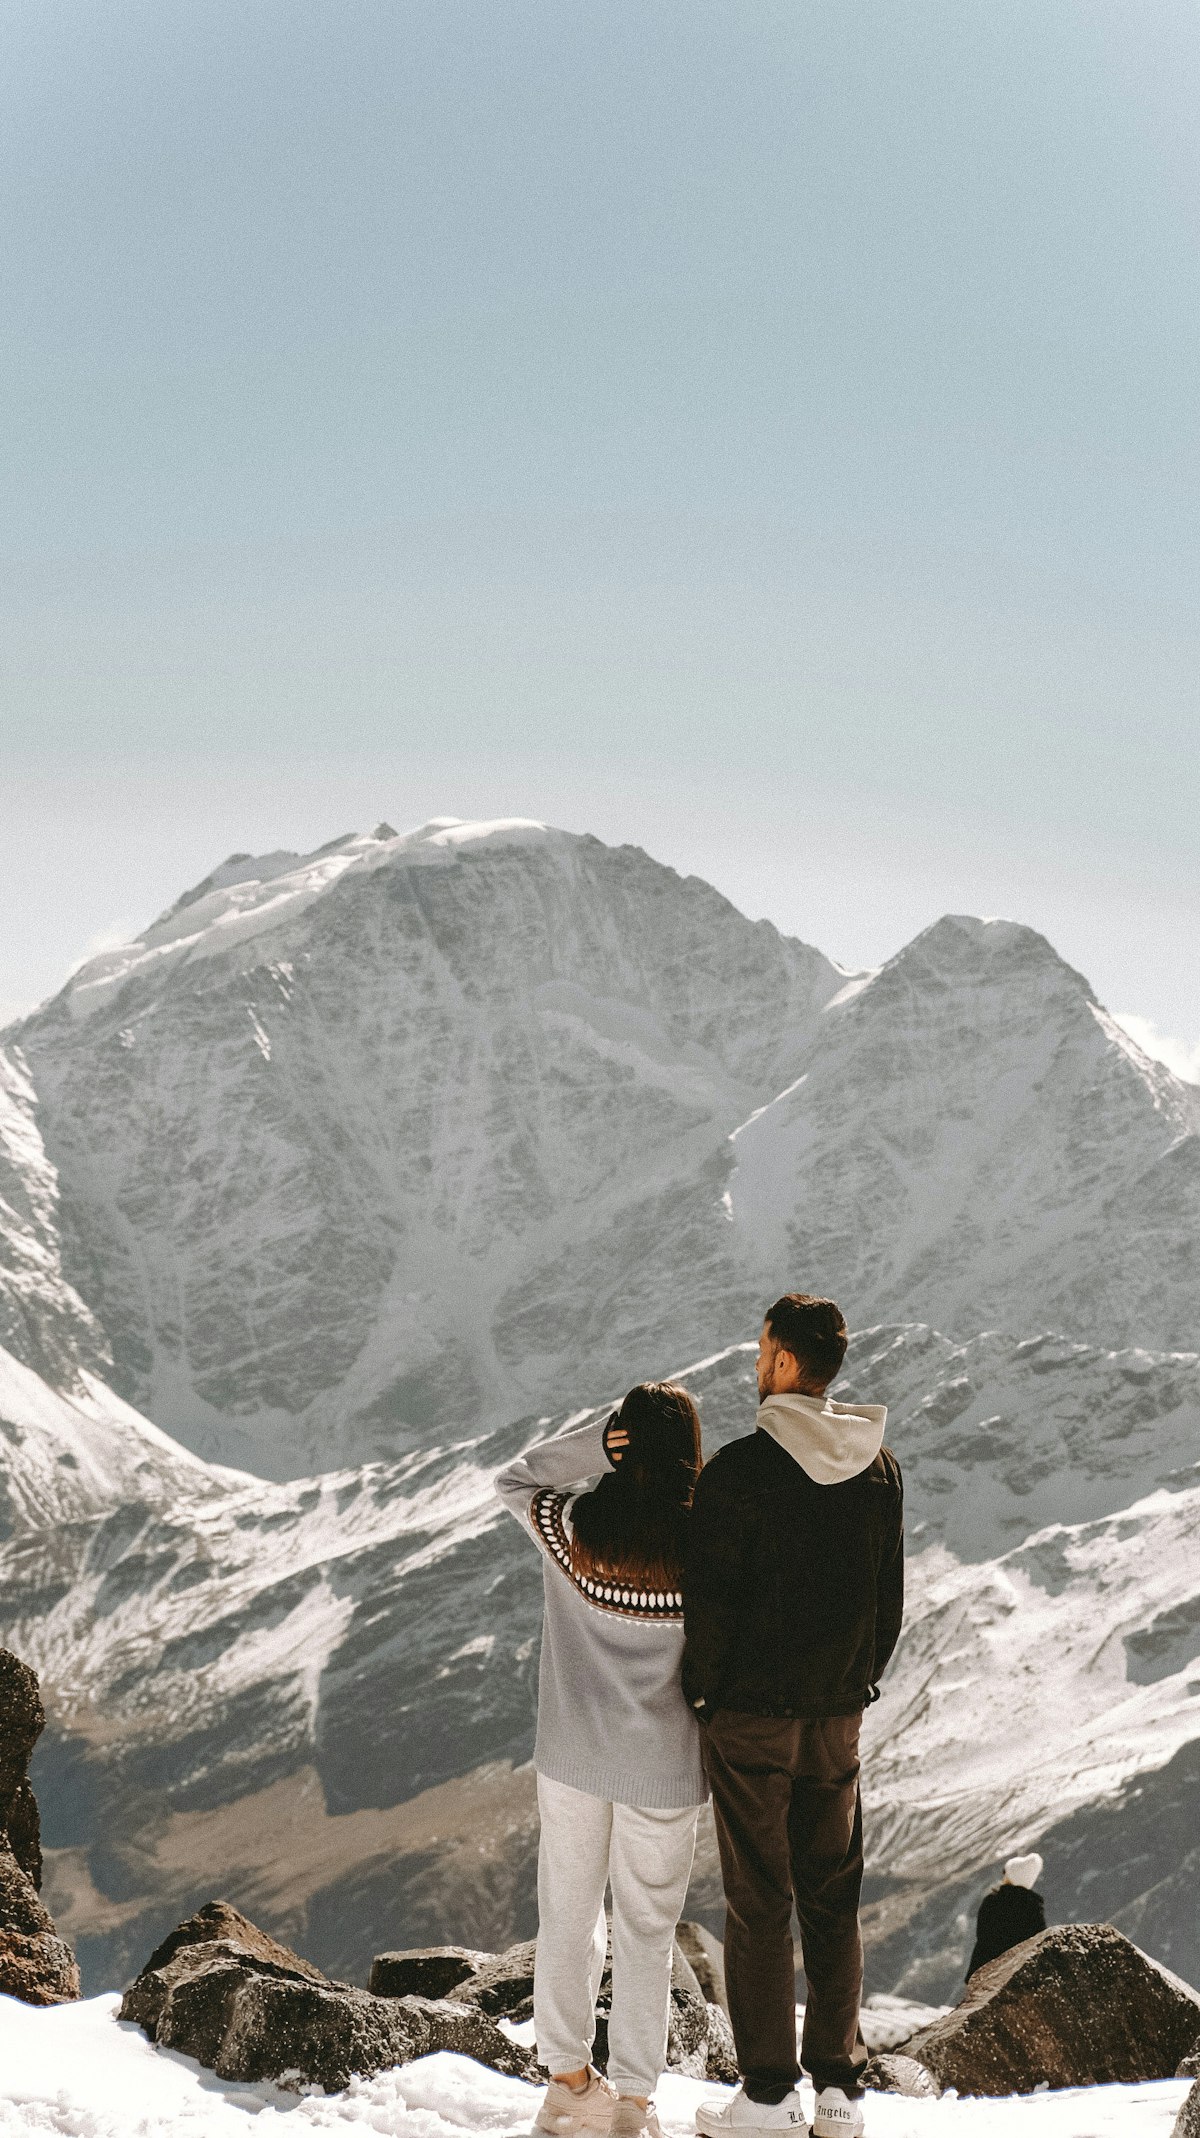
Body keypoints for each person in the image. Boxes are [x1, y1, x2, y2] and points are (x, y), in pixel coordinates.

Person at [682, 1295, 904, 2138]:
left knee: (760, 1900)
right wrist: (852, 1685)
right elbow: (889, 1607)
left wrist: (707, 1695)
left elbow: (710, 1613)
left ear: (780, 1361)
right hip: (838, 1718)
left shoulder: (737, 1473)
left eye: (760, 1349)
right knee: (831, 1896)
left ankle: (770, 2094)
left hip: (749, 1720)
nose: (755, 1362)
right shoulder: (877, 1468)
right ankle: (840, 2090)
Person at [496, 1383, 708, 2138]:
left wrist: (596, 1441)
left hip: (574, 1756)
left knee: (568, 1913)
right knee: (648, 1933)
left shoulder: (570, 1528)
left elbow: (515, 1478)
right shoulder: (707, 1543)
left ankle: (567, 2082)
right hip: (666, 1766)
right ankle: (635, 2101)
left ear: (625, 1448)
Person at [966, 1855, 1046, 1978]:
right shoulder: (1034, 1908)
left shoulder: (992, 1901)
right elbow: (1039, 1941)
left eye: (1006, 1872)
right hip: (1018, 1972)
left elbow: (982, 1935)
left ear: (1010, 1877)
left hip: (983, 1969)